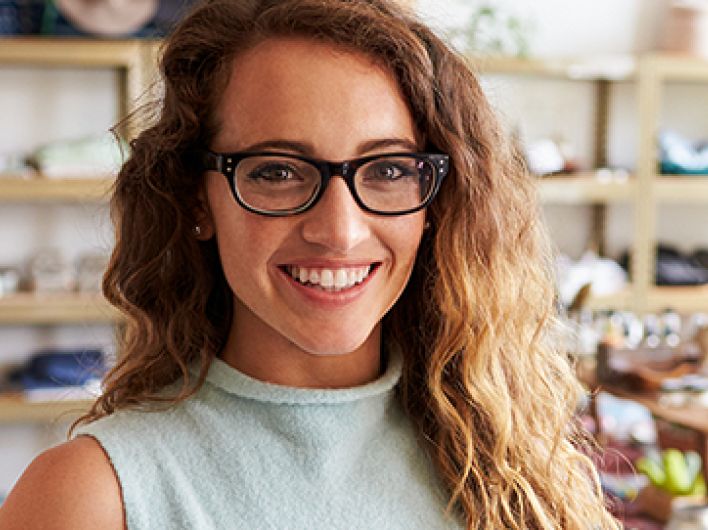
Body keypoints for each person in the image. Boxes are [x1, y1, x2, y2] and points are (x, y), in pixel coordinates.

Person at [0, 0, 620, 528]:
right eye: (276, 171)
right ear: (197, 197)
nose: (339, 232)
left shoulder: (514, 466)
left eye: (388, 169)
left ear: (438, 203)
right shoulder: (92, 498)